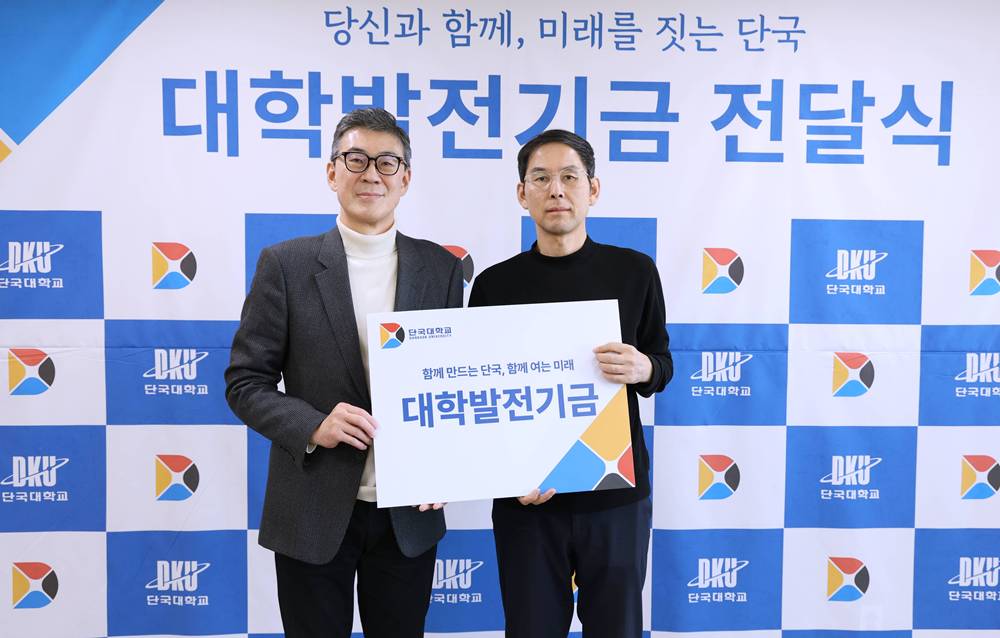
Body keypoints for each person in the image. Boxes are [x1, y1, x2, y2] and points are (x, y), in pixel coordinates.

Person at [226, 107, 463, 638]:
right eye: (356, 159)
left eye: (386, 162)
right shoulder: (285, 265)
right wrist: (313, 424)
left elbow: (453, 383)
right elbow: (245, 383)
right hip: (311, 508)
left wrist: (447, 464)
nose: (371, 174)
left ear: (405, 179)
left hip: (407, 514)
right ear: (332, 172)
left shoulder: (442, 269)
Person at [468, 129, 672, 637]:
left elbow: (662, 363)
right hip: (527, 499)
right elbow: (480, 396)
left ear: (592, 189)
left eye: (569, 177)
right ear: (522, 194)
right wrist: (507, 478)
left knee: (617, 628)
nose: (555, 189)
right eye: (540, 178)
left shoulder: (634, 271)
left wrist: (643, 368)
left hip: (615, 494)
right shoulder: (494, 285)